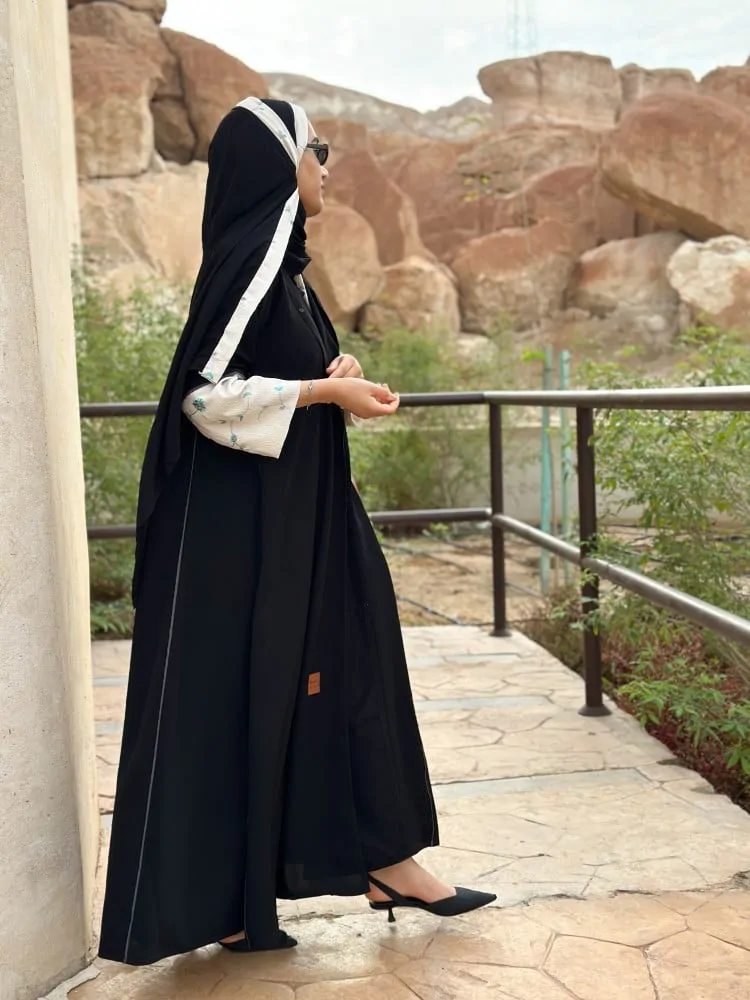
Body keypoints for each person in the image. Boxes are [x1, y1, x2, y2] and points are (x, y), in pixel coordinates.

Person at [98, 97, 496, 966]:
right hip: (244, 545)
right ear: (282, 164)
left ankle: (370, 866)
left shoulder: (282, 274)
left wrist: (334, 373)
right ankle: (297, 888)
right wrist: (324, 391)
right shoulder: (251, 266)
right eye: (317, 147)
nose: (327, 163)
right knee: (273, 687)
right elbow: (204, 398)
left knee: (332, 669)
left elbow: (262, 376)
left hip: (289, 525)